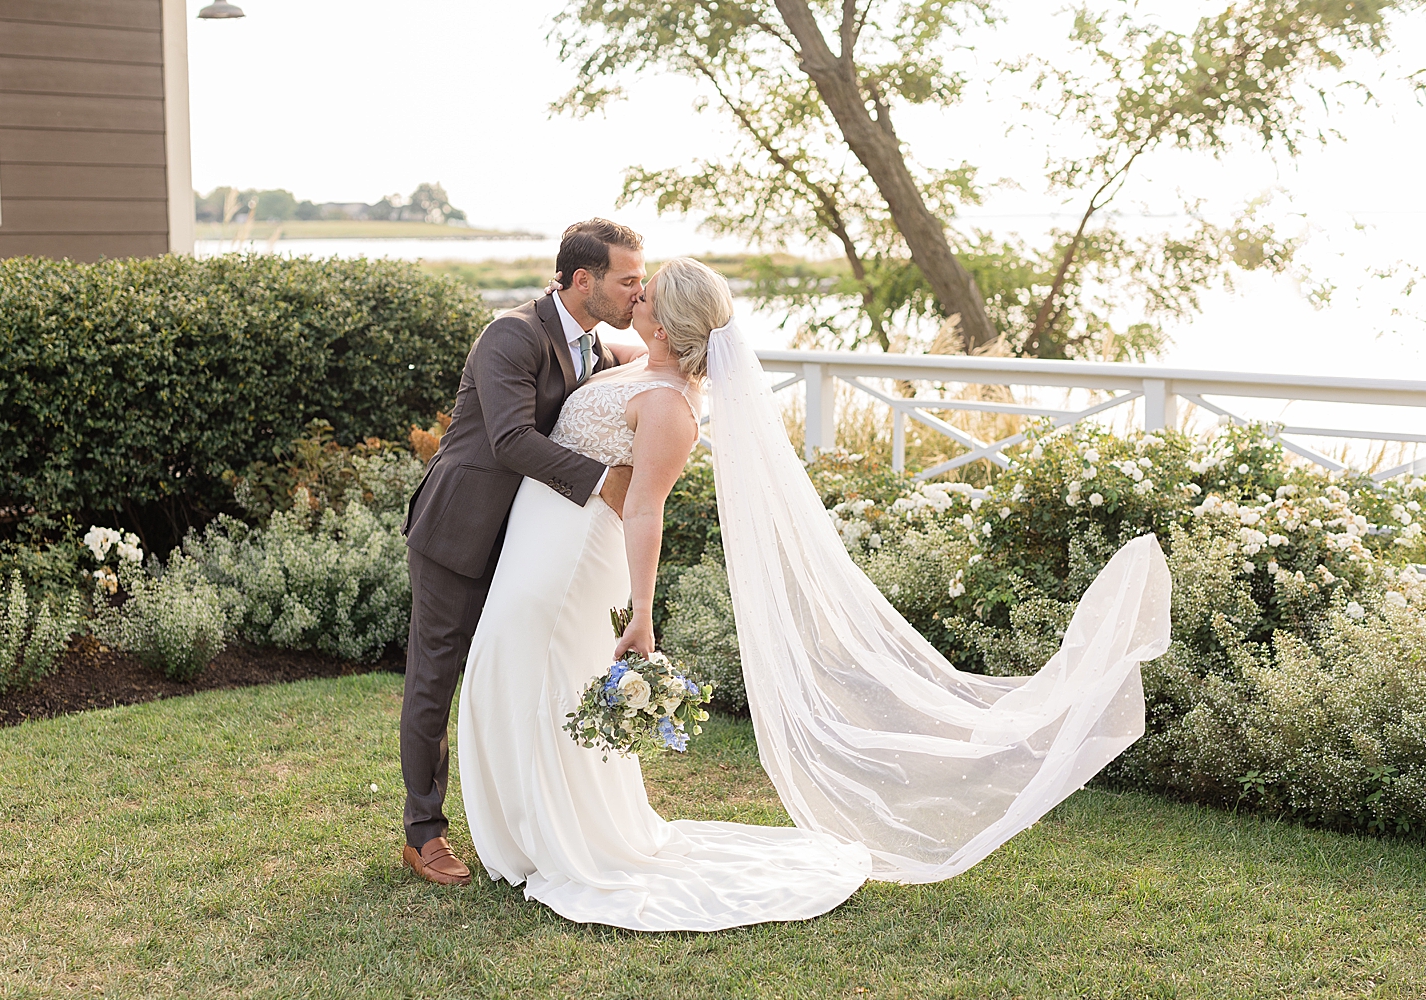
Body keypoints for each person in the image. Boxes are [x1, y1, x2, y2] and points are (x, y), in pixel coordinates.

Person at [457, 254, 1172, 931]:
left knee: (534, 677)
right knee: (508, 675)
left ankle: (553, 836)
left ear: (670, 321)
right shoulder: (632, 366)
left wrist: (642, 614)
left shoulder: (672, 406)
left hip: (572, 563)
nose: (634, 295)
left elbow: (645, 509)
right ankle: (529, 827)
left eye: (647, 292)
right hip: (536, 545)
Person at [398, 219, 649, 885]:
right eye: (628, 280)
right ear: (583, 280)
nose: (638, 290)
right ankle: (423, 834)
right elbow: (509, 439)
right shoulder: (512, 333)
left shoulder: (596, 346)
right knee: (434, 681)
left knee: (518, 680)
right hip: (459, 533)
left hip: (526, 547)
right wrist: (606, 481)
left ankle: (521, 821)